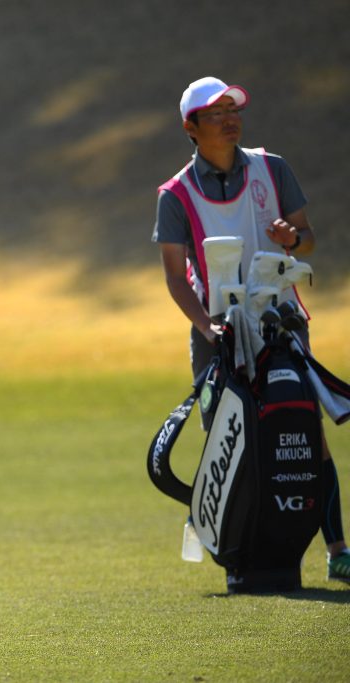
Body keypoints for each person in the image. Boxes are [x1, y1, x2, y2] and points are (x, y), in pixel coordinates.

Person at [152, 77, 350, 582]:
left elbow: (305, 242)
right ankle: (240, 556)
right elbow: (177, 279)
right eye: (214, 113)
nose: (228, 118)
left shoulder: (271, 168)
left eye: (231, 109)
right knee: (230, 440)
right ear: (190, 128)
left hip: (281, 321)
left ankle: (338, 551)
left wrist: (293, 237)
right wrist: (208, 327)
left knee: (308, 436)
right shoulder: (176, 194)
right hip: (215, 328)